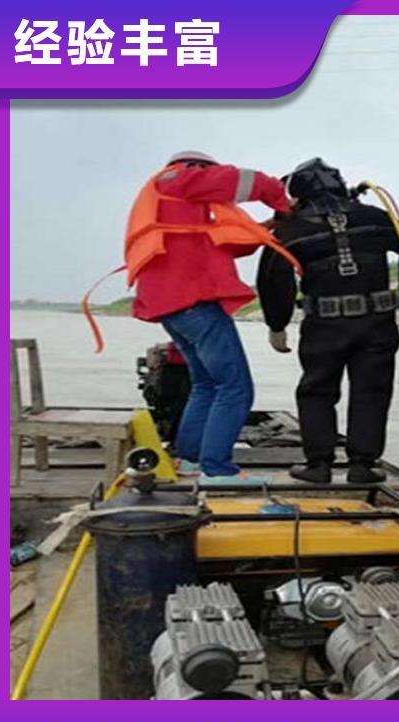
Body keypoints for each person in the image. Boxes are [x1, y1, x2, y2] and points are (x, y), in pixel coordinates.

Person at [127, 150, 294, 486]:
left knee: (205, 384)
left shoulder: (171, 205)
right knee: (235, 388)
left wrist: (265, 228)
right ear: (198, 167)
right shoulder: (180, 177)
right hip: (194, 305)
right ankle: (218, 469)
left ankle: (190, 458)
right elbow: (245, 180)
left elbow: (223, 244)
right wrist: (283, 200)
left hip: (171, 308)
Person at [256, 158, 399, 484]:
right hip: (376, 322)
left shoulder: (291, 230)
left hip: (325, 325)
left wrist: (277, 325)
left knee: (317, 390)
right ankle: (363, 466)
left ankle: (318, 466)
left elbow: (273, 279)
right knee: (372, 390)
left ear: (298, 195)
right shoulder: (373, 217)